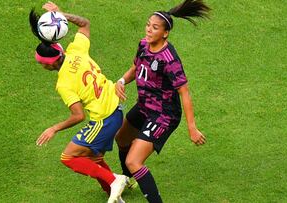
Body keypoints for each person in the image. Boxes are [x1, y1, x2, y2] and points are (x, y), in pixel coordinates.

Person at [29, 2, 129, 203]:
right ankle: (114, 192)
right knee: (93, 156)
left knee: (69, 157)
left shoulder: (64, 83)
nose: (41, 66)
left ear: (52, 63)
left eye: (42, 63)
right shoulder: (76, 50)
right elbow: (84, 24)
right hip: (115, 109)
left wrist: (54, 128)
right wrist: (61, 15)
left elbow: (78, 115)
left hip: (104, 119)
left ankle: (115, 180)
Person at [114, 0, 210, 202]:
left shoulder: (169, 59)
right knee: (121, 139)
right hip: (144, 106)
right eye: (148, 24)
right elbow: (136, 68)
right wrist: (122, 80)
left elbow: (184, 92)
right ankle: (126, 181)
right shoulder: (143, 45)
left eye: (155, 28)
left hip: (164, 115)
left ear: (165, 33)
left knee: (134, 160)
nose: (149, 30)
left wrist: (191, 127)